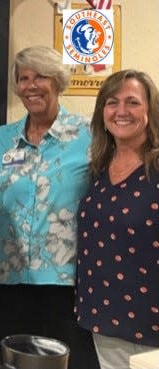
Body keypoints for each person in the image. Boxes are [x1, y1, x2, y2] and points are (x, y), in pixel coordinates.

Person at [0, 45, 98, 369]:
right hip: (9, 276)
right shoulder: (3, 138)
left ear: (57, 81)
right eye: (23, 78)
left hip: (68, 279)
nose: (30, 86)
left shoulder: (89, 134)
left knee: (70, 360)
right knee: (15, 359)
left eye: (39, 76)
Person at [75, 69, 159, 368]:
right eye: (112, 102)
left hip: (151, 325)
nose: (121, 111)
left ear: (151, 110)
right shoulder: (99, 167)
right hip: (105, 319)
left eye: (132, 102)